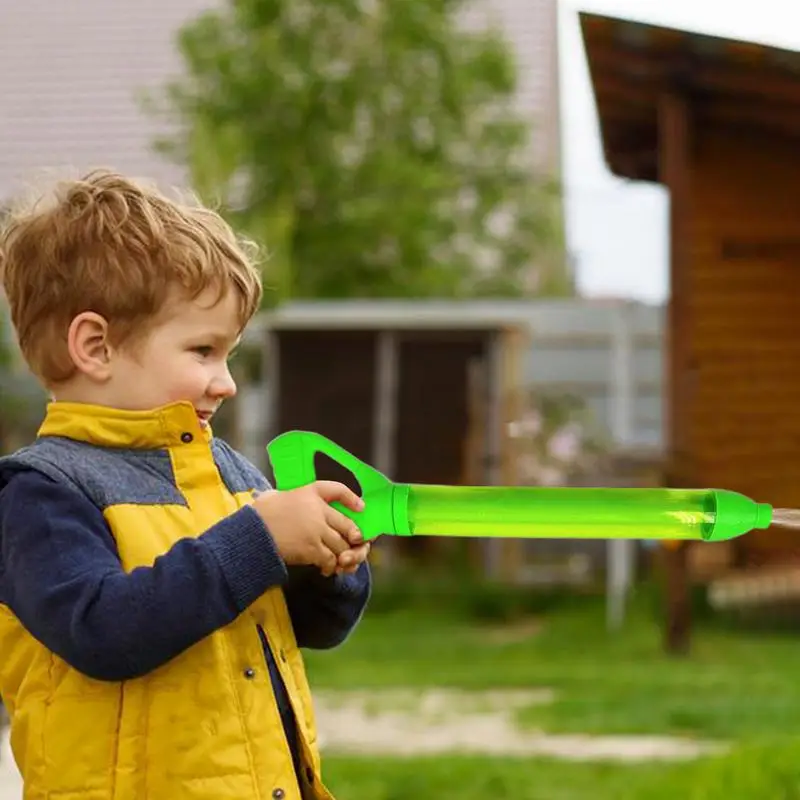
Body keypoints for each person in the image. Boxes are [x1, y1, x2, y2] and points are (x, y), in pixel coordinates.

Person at [0, 170, 372, 800]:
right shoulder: (42, 495)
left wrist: (326, 567)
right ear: (96, 346)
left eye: (228, 355)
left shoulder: (229, 474)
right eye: (203, 351)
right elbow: (105, 632)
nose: (226, 382)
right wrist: (260, 540)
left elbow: (311, 628)